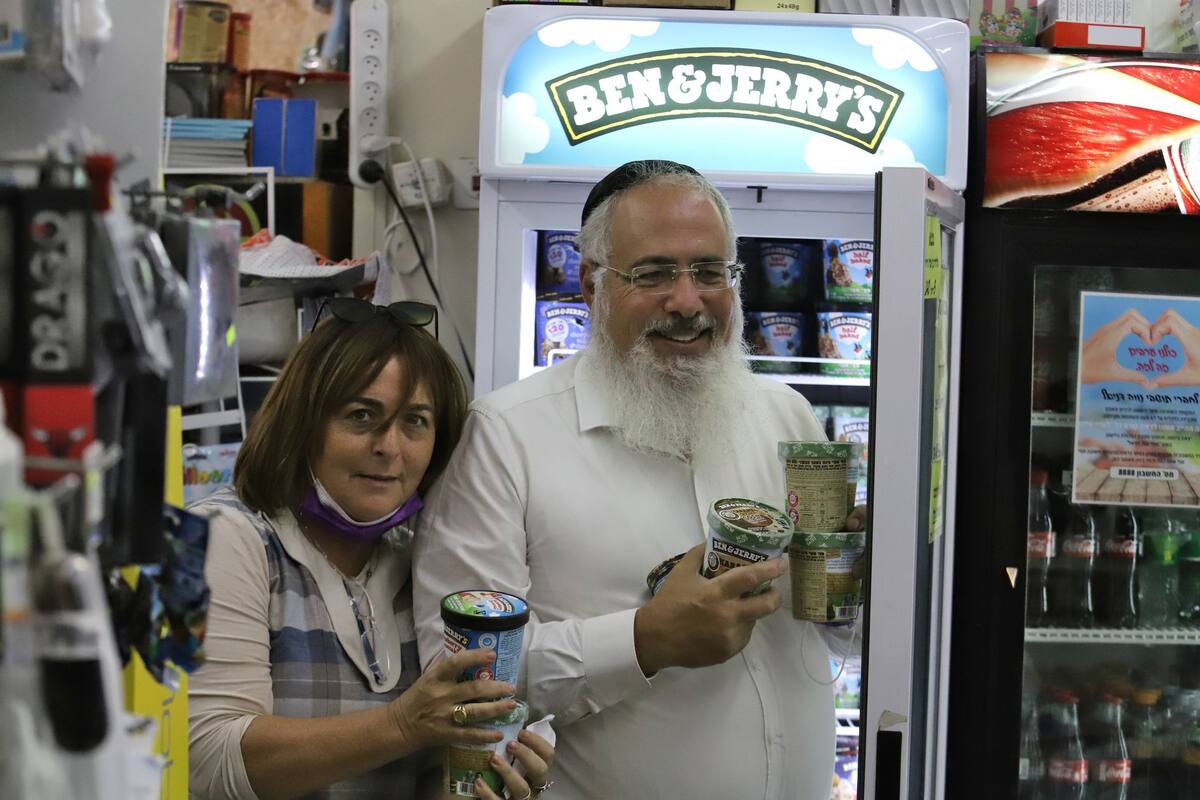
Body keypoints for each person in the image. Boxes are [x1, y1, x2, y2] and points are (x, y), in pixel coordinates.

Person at [413, 160, 862, 800]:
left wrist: (860, 580)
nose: (687, 301)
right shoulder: (507, 434)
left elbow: (838, 627)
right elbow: (457, 679)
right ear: (592, 286)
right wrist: (644, 639)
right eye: (652, 274)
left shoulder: (785, 412)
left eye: (710, 272)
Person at [187, 298, 555, 800]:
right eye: (362, 415)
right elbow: (207, 760)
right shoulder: (225, 537)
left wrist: (486, 782)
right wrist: (403, 725)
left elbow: (421, 777)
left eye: (416, 421)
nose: (390, 447)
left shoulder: (417, 561)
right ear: (301, 422)